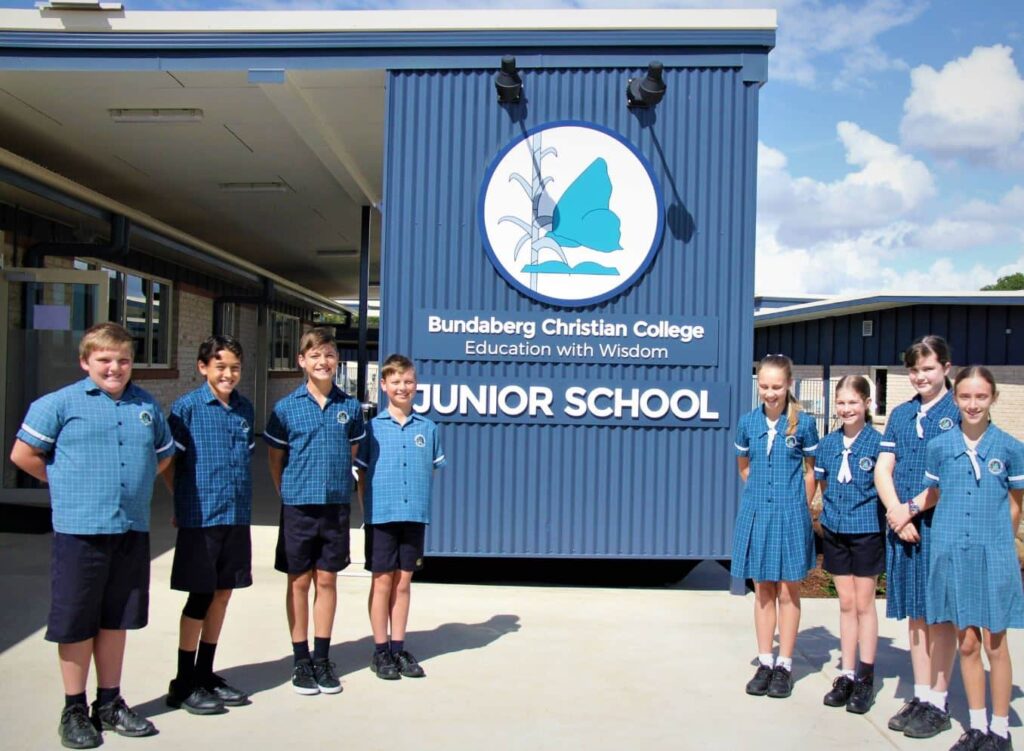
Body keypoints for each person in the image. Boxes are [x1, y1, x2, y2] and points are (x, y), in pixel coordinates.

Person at [10, 322, 175, 749]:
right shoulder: (58, 404)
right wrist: (63, 482)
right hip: (80, 532)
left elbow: (162, 455)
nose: (115, 368)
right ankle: (74, 708)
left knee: (115, 619)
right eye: (104, 360)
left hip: (129, 528)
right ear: (86, 362)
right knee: (76, 622)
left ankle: (110, 702)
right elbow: (23, 454)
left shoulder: (146, 405)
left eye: (123, 360)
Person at [891, 367, 1023, 751]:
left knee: (995, 643)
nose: (973, 404)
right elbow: (935, 494)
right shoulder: (941, 446)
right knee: (966, 642)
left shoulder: (1010, 449)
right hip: (952, 552)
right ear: (956, 399)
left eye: (981, 396)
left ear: (993, 398)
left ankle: (1000, 730)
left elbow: (1014, 506)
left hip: (991, 553)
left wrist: (998, 543)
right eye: (965, 397)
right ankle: (977, 725)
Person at [264, 327, 364, 696]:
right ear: (302, 362)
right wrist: (286, 491)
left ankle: (322, 658)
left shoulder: (349, 407)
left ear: (337, 361)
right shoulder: (286, 408)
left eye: (329, 355)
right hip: (298, 508)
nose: (323, 362)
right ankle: (300, 660)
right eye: (315, 355)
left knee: (326, 581)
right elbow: (275, 458)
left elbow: (351, 454)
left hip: (334, 507)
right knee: (299, 582)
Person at [162, 335, 254, 715]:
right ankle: (183, 682)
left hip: (235, 516)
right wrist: (183, 501)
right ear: (203, 368)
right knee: (199, 597)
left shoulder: (245, 409)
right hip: (202, 519)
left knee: (223, 593)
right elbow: (170, 466)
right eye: (220, 367)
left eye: (234, 367)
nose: (228, 374)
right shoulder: (186, 410)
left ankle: (205, 672)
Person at [874, 335, 960, 738]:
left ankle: (940, 701)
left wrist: (909, 509)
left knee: (940, 617)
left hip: (939, 525)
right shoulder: (901, 414)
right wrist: (896, 513)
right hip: (903, 527)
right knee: (916, 616)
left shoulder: (959, 412)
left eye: (928, 368)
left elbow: (951, 477)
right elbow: (883, 468)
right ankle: (922, 693)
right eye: (914, 370)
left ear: (946, 367)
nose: (920, 376)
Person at [731, 353, 819, 700]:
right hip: (756, 512)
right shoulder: (748, 423)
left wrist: (800, 504)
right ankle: (765, 660)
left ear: (789, 386)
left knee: (787, 590)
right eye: (764, 386)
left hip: (791, 514)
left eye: (777, 387)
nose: (770, 393)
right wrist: (760, 495)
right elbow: (744, 466)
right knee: (762, 588)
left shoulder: (804, 424)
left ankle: (784, 665)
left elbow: (811, 470)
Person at [355, 354, 446, 680]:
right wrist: (370, 511)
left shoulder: (429, 428)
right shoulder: (371, 429)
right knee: (382, 582)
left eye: (408, 381)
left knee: (403, 582)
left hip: (413, 516)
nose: (402, 387)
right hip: (382, 516)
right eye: (395, 382)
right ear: (384, 385)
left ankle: (398, 647)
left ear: (416, 384)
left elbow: (431, 471)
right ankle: (380, 651)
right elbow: (362, 477)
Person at [814, 375, 884, 714]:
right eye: (841, 403)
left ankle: (866, 677)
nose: (846, 409)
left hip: (867, 530)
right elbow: (825, 486)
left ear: (867, 404)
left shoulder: (879, 444)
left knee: (863, 603)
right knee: (844, 602)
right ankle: (846, 673)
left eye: (853, 403)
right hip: (837, 529)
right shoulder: (828, 444)